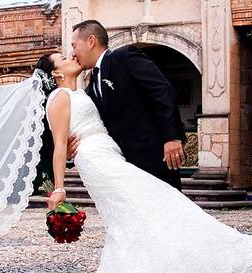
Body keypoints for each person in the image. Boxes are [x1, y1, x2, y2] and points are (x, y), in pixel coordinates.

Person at [33, 51, 252, 273]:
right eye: (63, 57)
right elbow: (59, 146)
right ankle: (241, 246)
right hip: (97, 162)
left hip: (110, 153)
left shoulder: (83, 89)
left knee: (133, 228)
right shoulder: (58, 98)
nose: (71, 56)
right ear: (55, 73)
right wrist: (60, 188)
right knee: (157, 200)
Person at [68, 20, 185, 190]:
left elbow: (162, 91)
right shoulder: (92, 85)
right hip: (124, 166)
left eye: (74, 45)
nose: (73, 53)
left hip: (153, 158)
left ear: (91, 41)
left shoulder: (125, 57)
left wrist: (171, 137)